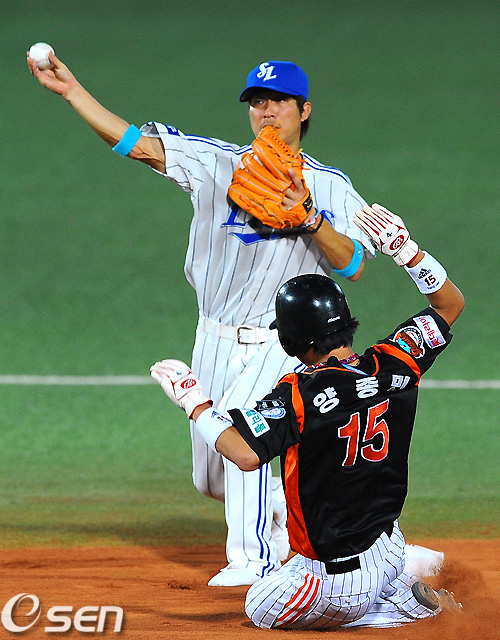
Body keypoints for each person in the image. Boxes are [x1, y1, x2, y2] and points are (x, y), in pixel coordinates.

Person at [28, 53, 381, 586]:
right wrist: (73, 92)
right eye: (257, 102)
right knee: (212, 478)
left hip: (281, 343)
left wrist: (310, 218)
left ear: (304, 110)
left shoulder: (331, 186)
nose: (266, 111)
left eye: (279, 101)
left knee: (244, 435)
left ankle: (253, 562)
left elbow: (353, 264)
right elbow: (135, 143)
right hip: (213, 335)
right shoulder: (216, 162)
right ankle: (306, 518)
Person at [150, 203, 465, 629]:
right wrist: (407, 251)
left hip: (337, 581)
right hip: (387, 546)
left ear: (291, 341)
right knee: (335, 555)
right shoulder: (396, 359)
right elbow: (450, 305)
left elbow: (244, 454)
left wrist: (196, 405)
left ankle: (399, 609)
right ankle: (397, 580)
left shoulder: (300, 394)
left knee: (259, 606)